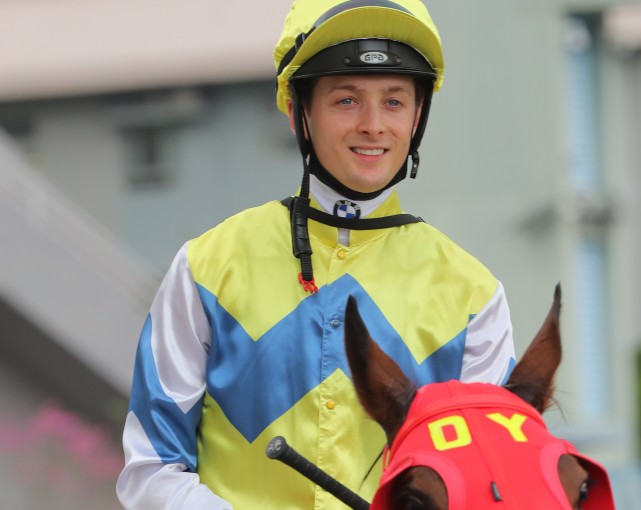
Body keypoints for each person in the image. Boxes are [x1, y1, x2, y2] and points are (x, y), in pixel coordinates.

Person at [116, 0, 517, 508]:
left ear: (418, 117)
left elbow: (493, 483)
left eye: (394, 102)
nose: (373, 125)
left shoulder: (474, 295)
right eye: (346, 100)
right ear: (297, 112)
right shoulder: (207, 266)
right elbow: (151, 469)